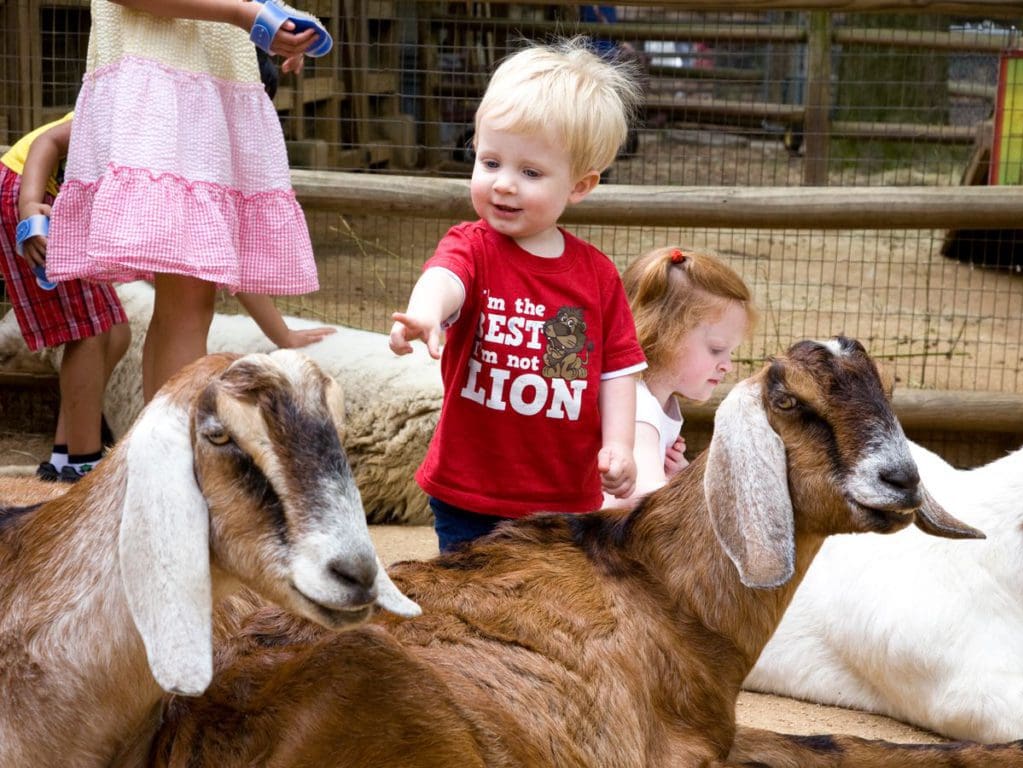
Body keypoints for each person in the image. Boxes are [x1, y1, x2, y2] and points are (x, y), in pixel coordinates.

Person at [389, 38, 647, 553]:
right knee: (469, 604)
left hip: (562, 498)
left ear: (580, 185)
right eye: (490, 162)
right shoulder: (474, 247)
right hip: (471, 491)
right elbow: (446, 278)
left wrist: (620, 444)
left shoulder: (595, 276)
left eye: (529, 173)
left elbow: (615, 372)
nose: (504, 184)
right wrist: (425, 312)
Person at [47, 0, 324, 404]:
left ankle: (161, 452)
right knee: (189, 308)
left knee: (181, 307)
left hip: (195, 94)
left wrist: (285, 25)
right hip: (170, 96)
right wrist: (244, 17)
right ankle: (178, 453)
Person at [0, 113, 131, 482]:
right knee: (87, 332)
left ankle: (63, 455)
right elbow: (48, 143)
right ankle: (83, 463)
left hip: (55, 196)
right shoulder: (138, 99)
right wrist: (29, 208)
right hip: (32, 191)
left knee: (116, 331)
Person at [604, 245, 756, 508]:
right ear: (665, 336)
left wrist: (678, 477)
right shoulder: (638, 406)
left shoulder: (656, 402)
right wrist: (685, 492)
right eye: (717, 349)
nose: (727, 366)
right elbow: (645, 502)